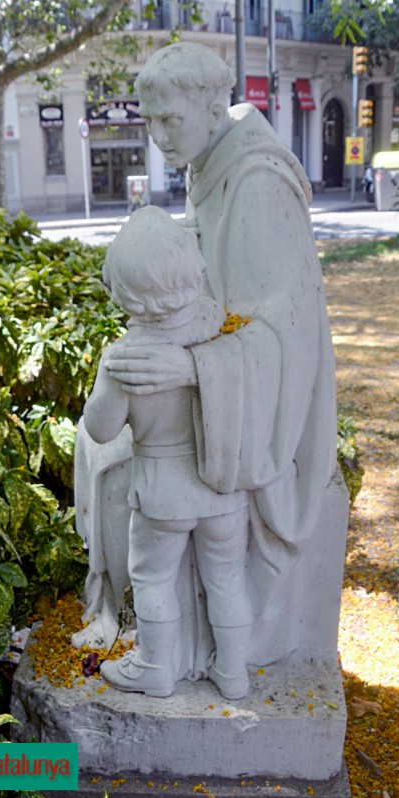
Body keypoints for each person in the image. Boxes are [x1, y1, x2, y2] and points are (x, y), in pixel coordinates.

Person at [74, 42, 339, 677]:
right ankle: (230, 666)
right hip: (216, 418)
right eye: (150, 120)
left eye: (171, 121)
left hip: (257, 412)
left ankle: (164, 660)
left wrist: (193, 369)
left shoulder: (257, 186)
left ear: (212, 106)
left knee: (112, 466)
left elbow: (287, 336)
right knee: (105, 460)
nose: (159, 136)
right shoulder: (211, 163)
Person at [83, 205, 252, 699]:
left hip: (163, 492)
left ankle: (156, 667)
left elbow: (100, 427)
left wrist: (108, 378)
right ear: (192, 267)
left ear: (124, 290)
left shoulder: (125, 358)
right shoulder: (217, 325)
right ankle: (234, 673)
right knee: (226, 579)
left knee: (153, 577)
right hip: (222, 485)